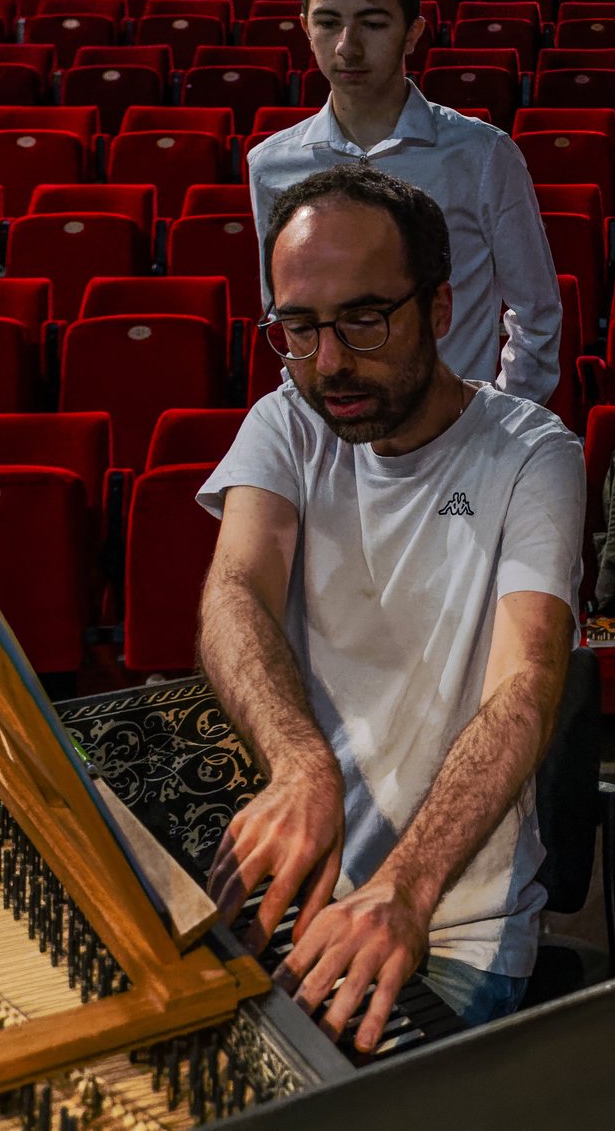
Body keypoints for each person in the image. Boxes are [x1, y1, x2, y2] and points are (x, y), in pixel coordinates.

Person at [197, 162, 585, 1046]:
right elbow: (235, 591)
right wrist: (301, 766)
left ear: (438, 311)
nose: (329, 361)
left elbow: (524, 686)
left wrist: (405, 890)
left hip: (447, 922)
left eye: (364, 320)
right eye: (298, 327)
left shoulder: (531, 455)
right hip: (298, 898)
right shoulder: (286, 422)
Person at [247, 0, 564, 404]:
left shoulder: (482, 154)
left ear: (412, 32)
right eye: (328, 22)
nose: (347, 47)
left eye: (373, 24)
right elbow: (289, 317)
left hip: (453, 431)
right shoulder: (270, 165)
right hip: (330, 431)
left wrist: (498, 414)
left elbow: (536, 310)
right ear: (305, 26)